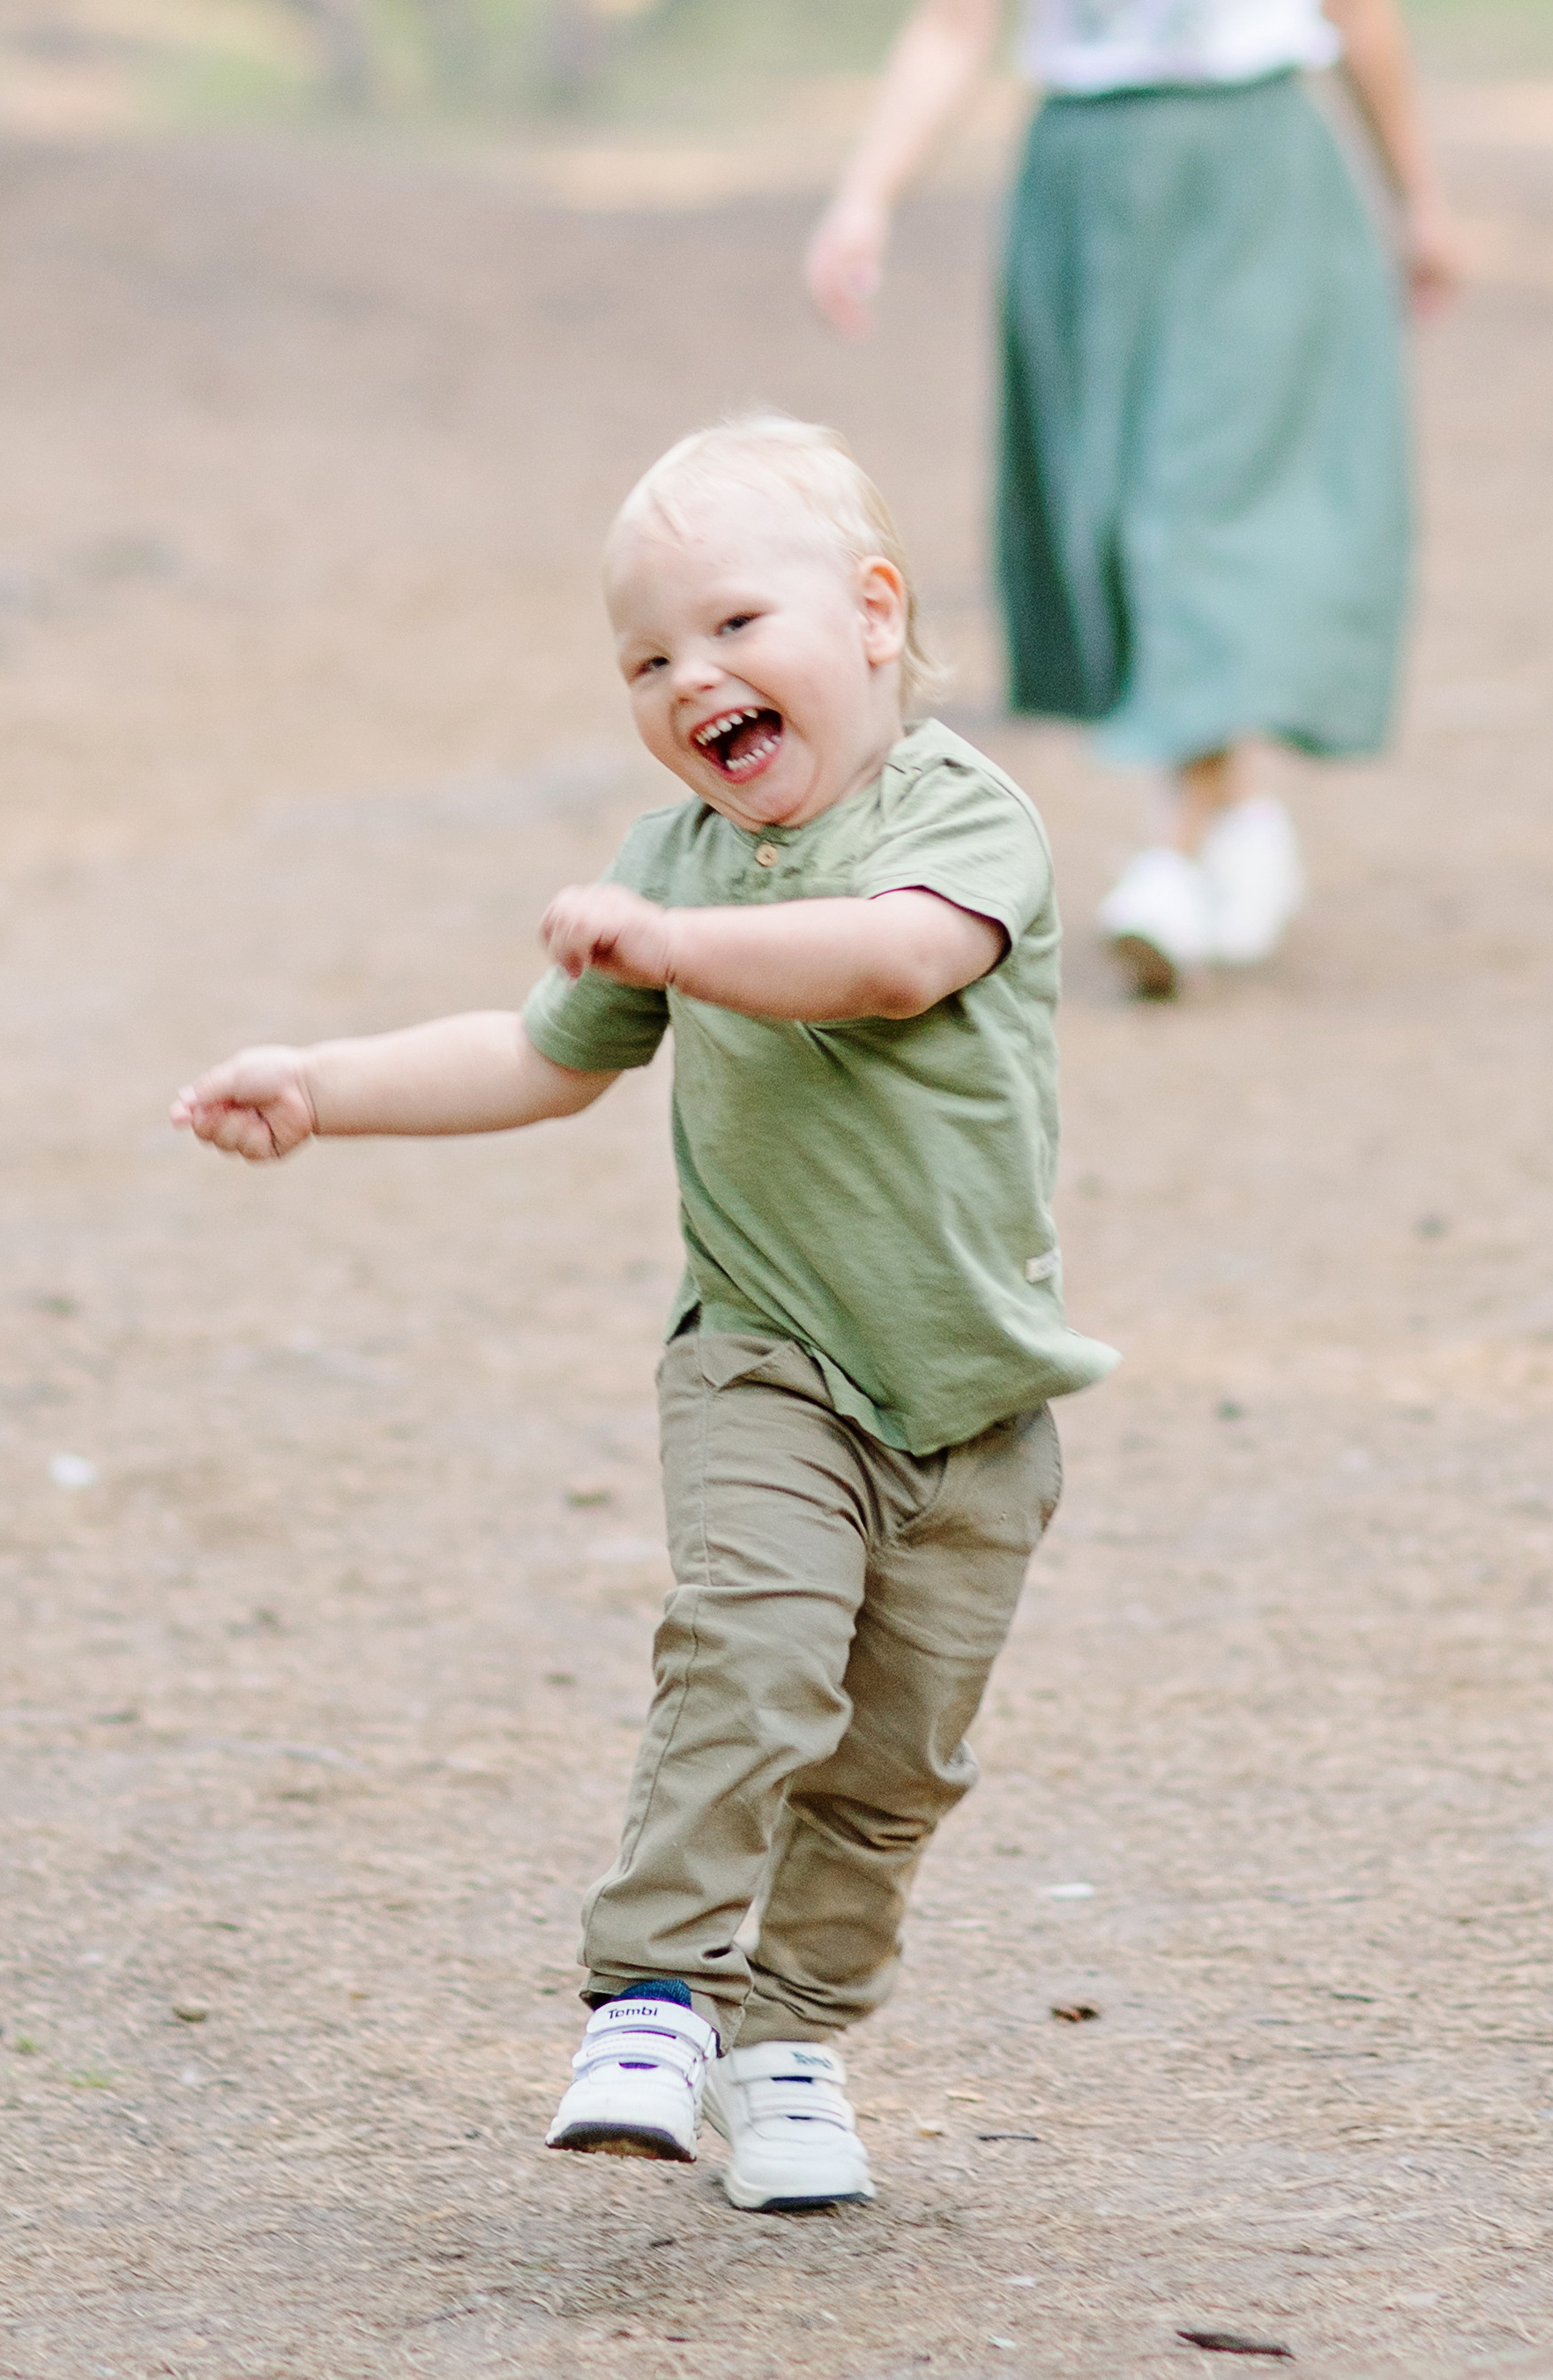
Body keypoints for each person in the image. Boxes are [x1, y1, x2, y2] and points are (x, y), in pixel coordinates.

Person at [171, 414, 1114, 2213]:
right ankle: (657, 1994)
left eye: (734, 628)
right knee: (750, 1661)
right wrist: (324, 1078)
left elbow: (891, 960)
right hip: (767, 1361)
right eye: (645, 658)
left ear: (872, 615)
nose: (692, 679)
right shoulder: (668, 864)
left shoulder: (960, 817)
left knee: (891, 1762)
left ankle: (790, 2043)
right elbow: (536, 1056)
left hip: (976, 1396)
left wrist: (671, 949)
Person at [807, 0, 1463, 998]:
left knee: (1196, 498)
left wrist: (1418, 200)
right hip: (1088, 184)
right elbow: (960, 19)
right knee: (1114, 509)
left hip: (1255, 167)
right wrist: (868, 190)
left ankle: (1180, 846)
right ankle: (1237, 822)